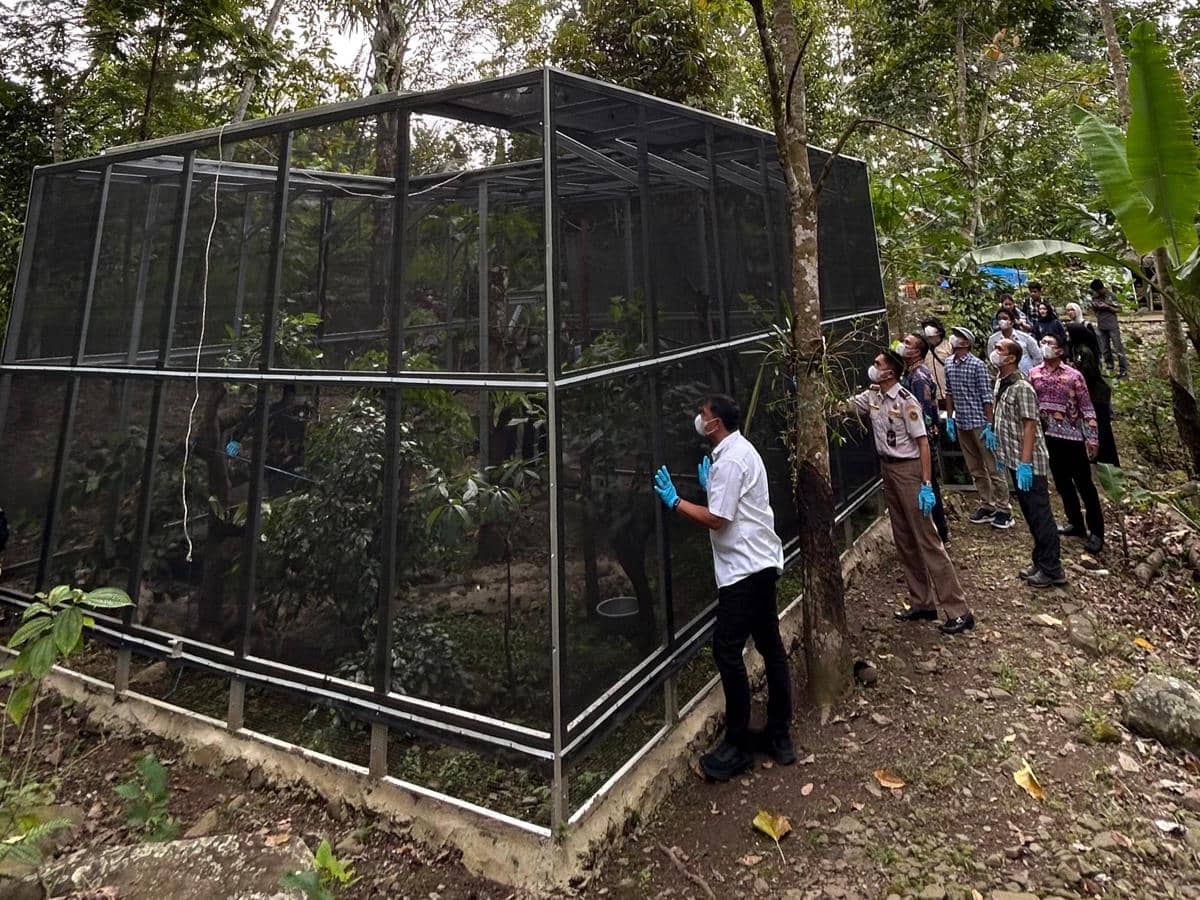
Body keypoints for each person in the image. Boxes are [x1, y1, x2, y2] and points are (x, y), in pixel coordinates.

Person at [653, 394, 794, 781]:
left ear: (717, 424)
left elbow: (718, 519)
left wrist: (675, 502)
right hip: (760, 562)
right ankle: (779, 734)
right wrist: (712, 483)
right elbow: (733, 502)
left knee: (727, 649)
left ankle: (736, 745)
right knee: (769, 645)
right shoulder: (736, 453)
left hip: (745, 570)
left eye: (704, 414)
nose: (700, 419)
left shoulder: (730, 460)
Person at [846, 349, 973, 634]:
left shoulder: (905, 401)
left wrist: (926, 485)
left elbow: (923, 443)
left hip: (909, 470)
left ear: (890, 371)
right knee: (904, 538)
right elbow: (844, 407)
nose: (873, 367)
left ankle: (958, 609)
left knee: (927, 539)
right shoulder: (873, 397)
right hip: (888, 470)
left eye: (878, 364)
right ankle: (922, 603)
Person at [991, 338, 1066, 588]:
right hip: (1012, 458)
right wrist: (994, 436)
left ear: (1012, 357)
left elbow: (1030, 424)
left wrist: (1025, 463)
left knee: (1040, 514)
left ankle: (1052, 568)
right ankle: (1040, 560)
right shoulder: (1002, 381)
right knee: (1030, 516)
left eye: (1000, 350)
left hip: (1029, 463)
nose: (995, 352)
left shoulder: (1022, 387)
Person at [1030, 334, 1106, 555]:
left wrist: (1092, 438)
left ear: (1061, 350)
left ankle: (1097, 532)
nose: (1045, 347)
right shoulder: (1034, 374)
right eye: (1042, 343)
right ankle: (1075, 522)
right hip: (1049, 437)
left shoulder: (1074, 376)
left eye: (1050, 344)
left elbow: (1087, 408)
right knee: (1062, 484)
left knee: (1085, 486)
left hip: (1073, 438)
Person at [943, 326, 1013, 529]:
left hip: (979, 423)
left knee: (993, 468)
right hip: (962, 422)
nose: (954, 339)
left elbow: (986, 396)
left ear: (966, 343)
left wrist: (989, 425)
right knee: (975, 468)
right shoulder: (948, 363)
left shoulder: (977, 365)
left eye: (958, 337)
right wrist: (949, 418)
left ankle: (1004, 508)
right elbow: (949, 392)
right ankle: (987, 504)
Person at [900, 333, 949, 545]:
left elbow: (920, 413)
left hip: (923, 439)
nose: (902, 345)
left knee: (928, 484)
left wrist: (920, 440)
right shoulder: (911, 373)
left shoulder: (918, 377)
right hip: (924, 438)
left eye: (907, 343)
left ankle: (938, 533)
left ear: (917, 352)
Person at [1067, 322, 1120, 466]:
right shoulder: (1076, 349)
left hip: (1096, 395)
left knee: (1101, 428)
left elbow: (1088, 375)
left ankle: (1107, 459)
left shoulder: (1085, 352)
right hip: (1092, 394)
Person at [1088, 279, 1129, 377]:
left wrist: (1108, 307)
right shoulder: (1095, 296)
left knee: (1118, 348)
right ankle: (1109, 367)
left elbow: (1119, 309)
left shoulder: (1111, 295)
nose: (1097, 293)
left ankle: (1123, 369)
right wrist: (1095, 306)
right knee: (1105, 348)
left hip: (1112, 325)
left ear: (1102, 288)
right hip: (1101, 325)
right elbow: (1093, 310)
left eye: (1098, 290)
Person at [987, 309, 1042, 376]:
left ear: (1012, 322)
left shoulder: (1026, 338)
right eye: (999, 319)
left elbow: (1038, 357)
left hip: (1026, 375)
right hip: (1004, 376)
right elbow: (991, 358)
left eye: (1005, 318)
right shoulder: (993, 339)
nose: (1002, 321)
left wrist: (1031, 371)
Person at [919, 316, 951, 403]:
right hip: (934, 397)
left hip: (950, 395)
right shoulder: (925, 351)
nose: (930, 340)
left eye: (932, 337)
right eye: (928, 337)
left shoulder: (949, 347)